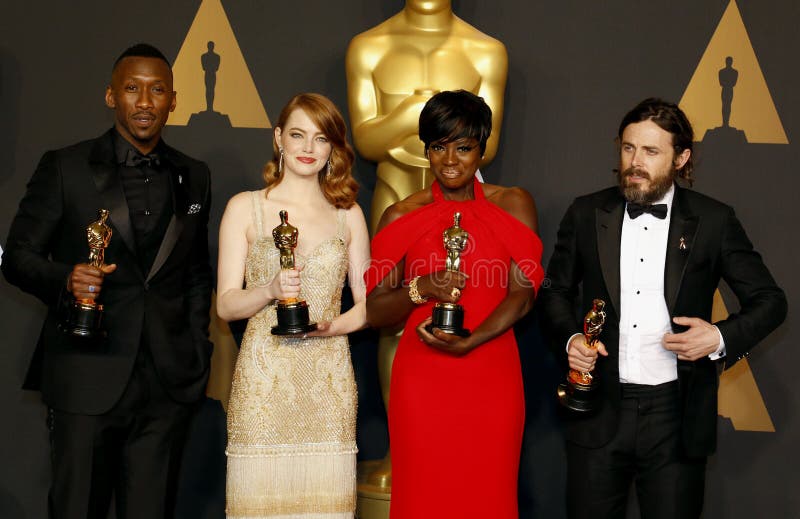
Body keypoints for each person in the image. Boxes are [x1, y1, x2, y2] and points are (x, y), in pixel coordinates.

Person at [539, 97, 787, 519]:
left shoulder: (714, 220)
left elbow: (771, 301)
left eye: (651, 151)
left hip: (676, 416)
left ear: (681, 157)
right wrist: (572, 338)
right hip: (599, 410)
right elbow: (552, 292)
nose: (635, 162)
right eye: (628, 148)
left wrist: (719, 337)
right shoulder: (586, 213)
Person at [1, 43, 214, 518]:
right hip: (85, 373)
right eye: (132, 88)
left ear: (173, 101)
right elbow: (16, 257)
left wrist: (197, 350)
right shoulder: (65, 166)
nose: (144, 101)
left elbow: (196, 272)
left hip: (165, 383)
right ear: (110, 96)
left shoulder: (194, 176)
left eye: (157, 89)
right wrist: (67, 277)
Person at [365, 90, 544, 518]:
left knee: (488, 495)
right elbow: (375, 313)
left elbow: (522, 295)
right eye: (438, 147)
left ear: (482, 150)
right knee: (424, 497)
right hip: (422, 380)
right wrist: (421, 289)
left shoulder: (514, 204)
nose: (450, 160)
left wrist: (474, 339)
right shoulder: (400, 215)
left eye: (463, 148)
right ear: (426, 150)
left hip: (492, 374)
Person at [217, 93, 370, 518]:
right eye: (298, 135)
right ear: (278, 139)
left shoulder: (349, 214)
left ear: (332, 148)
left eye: (320, 139)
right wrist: (268, 289)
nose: (308, 149)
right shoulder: (245, 209)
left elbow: (367, 305)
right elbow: (226, 306)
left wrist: (330, 328)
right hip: (264, 386)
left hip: (328, 385)